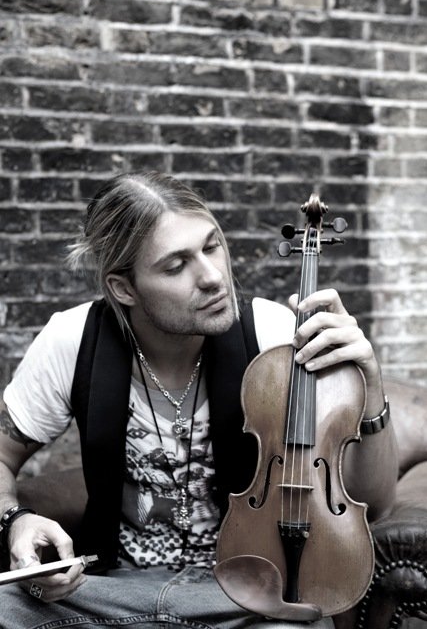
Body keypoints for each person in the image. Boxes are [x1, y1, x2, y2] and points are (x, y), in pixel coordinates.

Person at [0, 171, 398, 628]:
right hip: (112, 593)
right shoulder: (72, 340)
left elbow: (373, 504)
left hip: (244, 597)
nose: (213, 277)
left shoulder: (276, 337)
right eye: (176, 266)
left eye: (212, 247)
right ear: (124, 288)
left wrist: (370, 383)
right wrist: (15, 519)